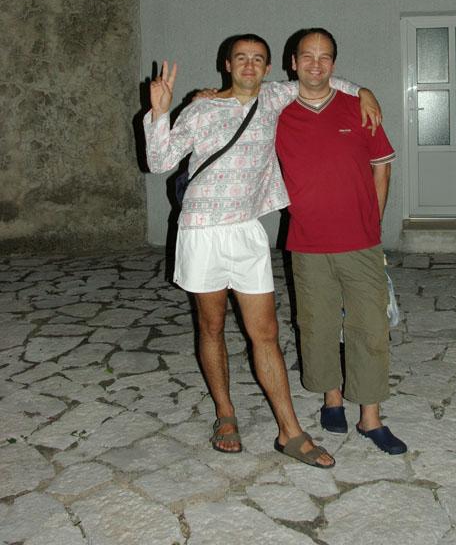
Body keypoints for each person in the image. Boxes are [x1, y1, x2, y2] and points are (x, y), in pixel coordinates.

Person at [144, 34, 380, 467]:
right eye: (241, 58)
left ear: (269, 69)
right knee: (211, 326)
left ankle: (290, 431)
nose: (249, 66)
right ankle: (225, 414)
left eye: (258, 59)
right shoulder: (201, 109)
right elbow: (159, 161)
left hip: (246, 233)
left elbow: (320, 80)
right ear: (227, 65)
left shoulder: (274, 98)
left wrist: (364, 91)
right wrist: (159, 111)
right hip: (200, 230)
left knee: (265, 333)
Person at [275, 28, 407, 455]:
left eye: (325, 57)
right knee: (317, 324)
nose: (316, 64)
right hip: (307, 241)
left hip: (360, 241)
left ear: (334, 63)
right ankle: (331, 398)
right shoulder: (276, 112)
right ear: (293, 62)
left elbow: (382, 166)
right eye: (307, 56)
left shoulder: (358, 107)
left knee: (370, 326)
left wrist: (373, 220)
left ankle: (371, 417)